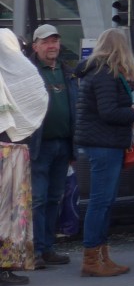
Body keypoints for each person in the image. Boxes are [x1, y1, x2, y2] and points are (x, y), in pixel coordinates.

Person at [75, 27, 134, 277]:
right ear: (121, 48)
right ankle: (92, 258)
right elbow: (109, 112)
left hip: (103, 142)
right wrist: (133, 113)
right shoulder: (104, 74)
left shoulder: (98, 72)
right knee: (101, 202)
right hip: (104, 144)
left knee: (105, 201)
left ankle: (101, 255)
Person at [0, 29, 49, 286]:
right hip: (10, 154)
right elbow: (36, 97)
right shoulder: (14, 73)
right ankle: (4, 267)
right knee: (8, 212)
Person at [28, 23, 77, 270]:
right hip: (38, 146)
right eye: (47, 42)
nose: (52, 46)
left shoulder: (66, 72)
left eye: (55, 41)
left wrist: (73, 146)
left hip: (62, 144)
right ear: (35, 45)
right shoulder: (28, 71)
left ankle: (47, 248)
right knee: (37, 199)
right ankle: (35, 250)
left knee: (54, 199)